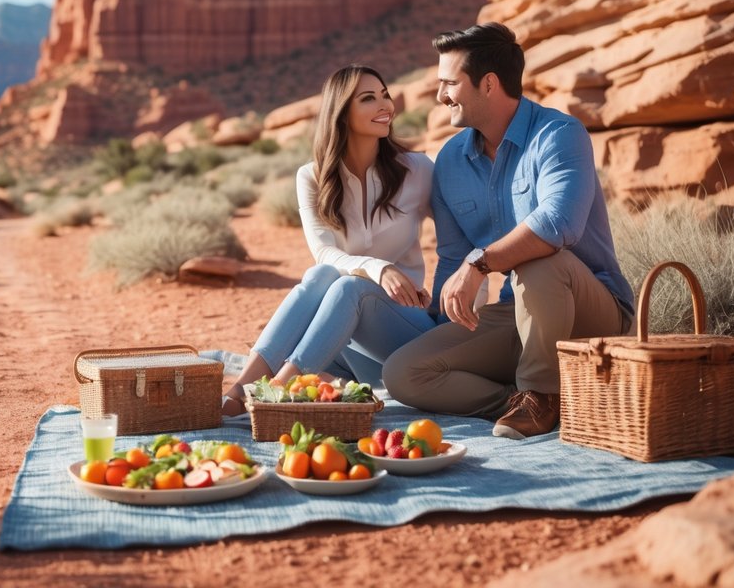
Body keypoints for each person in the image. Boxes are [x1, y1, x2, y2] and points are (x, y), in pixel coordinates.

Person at [382, 22, 634, 439]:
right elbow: (451, 257)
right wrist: (442, 324)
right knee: (405, 372)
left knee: (540, 261)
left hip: (592, 313)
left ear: (489, 84)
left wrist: (479, 265)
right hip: (519, 313)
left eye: (449, 83)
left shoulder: (559, 134)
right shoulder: (451, 161)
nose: (441, 95)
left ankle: (539, 392)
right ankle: (527, 401)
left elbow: (558, 224)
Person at [222, 64, 438, 416]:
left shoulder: (417, 170)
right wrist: (377, 267)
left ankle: (276, 393)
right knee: (321, 275)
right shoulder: (312, 176)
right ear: (341, 113)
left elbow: (455, 242)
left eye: (385, 95)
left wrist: (447, 301)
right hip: (345, 349)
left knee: (348, 287)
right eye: (369, 98)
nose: (386, 105)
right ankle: (241, 389)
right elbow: (323, 252)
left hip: (405, 333)